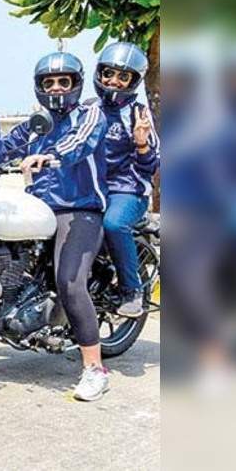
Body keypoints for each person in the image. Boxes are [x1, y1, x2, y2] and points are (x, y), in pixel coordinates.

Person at [0, 51, 110, 402]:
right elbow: (2, 146)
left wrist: (53, 154)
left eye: (64, 81)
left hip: (79, 208)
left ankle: (94, 369)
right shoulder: (38, 121)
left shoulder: (90, 112)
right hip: (39, 204)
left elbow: (82, 142)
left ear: (77, 83)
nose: (57, 88)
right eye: (49, 83)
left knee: (70, 283)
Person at [92, 42, 158, 318]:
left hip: (128, 189)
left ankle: (132, 291)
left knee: (114, 223)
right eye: (109, 73)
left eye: (123, 77)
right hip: (92, 189)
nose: (114, 81)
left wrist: (141, 143)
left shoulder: (137, 113)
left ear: (133, 81)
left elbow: (153, 164)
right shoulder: (87, 108)